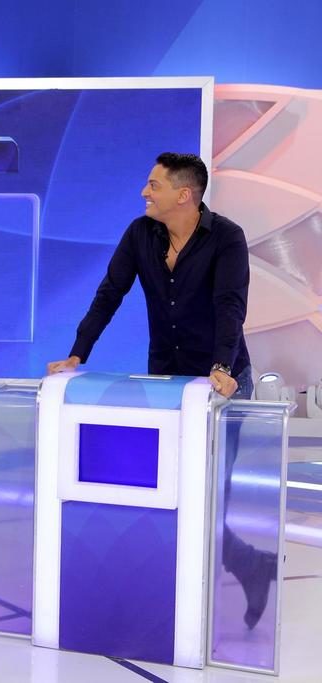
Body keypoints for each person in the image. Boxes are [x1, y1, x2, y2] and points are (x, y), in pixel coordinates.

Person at [47, 152, 276, 629]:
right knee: (168, 490)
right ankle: (229, 571)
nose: (144, 192)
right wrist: (77, 354)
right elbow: (109, 293)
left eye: (153, 184)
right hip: (166, 385)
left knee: (209, 496)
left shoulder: (226, 238)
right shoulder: (140, 234)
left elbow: (231, 306)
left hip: (220, 382)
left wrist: (221, 368)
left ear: (184, 195)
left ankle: (206, 596)